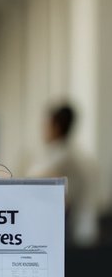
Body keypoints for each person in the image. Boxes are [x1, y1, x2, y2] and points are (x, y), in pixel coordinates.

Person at [28, 102, 97, 245]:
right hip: (82, 229)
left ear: (56, 128)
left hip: (70, 232)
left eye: (46, 126)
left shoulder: (62, 157)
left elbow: (33, 183)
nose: (43, 131)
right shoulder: (78, 154)